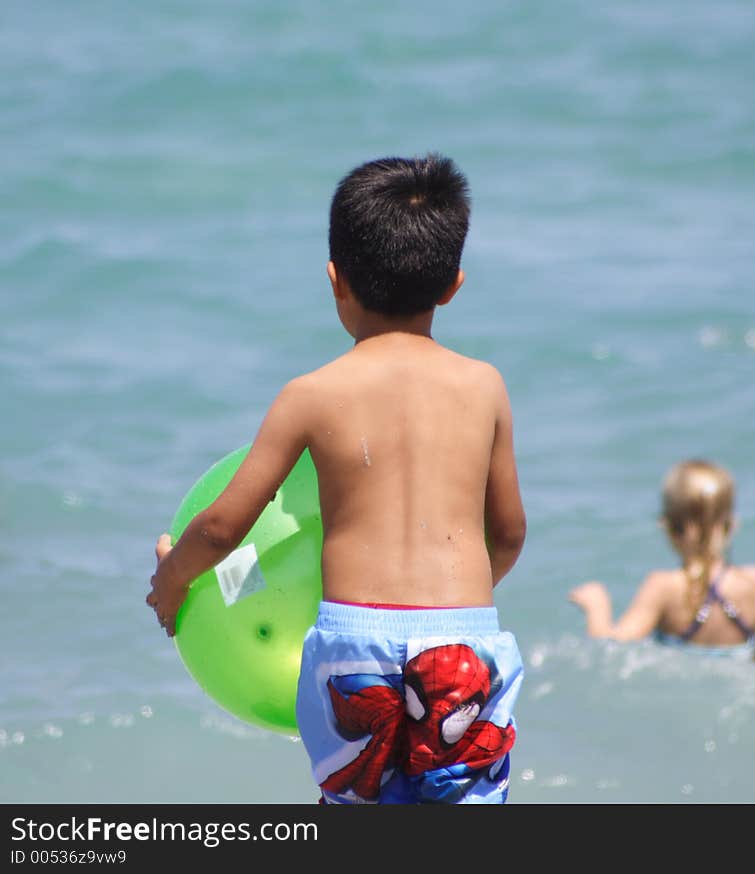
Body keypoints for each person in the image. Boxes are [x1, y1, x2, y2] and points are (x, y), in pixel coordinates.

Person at [146, 153, 528, 804]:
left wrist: (171, 583)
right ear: (453, 285)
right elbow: (510, 533)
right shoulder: (483, 387)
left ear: (335, 280)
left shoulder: (313, 395)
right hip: (461, 639)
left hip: (356, 642)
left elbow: (219, 527)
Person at [568, 459, 755, 662]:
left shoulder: (663, 586)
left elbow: (610, 650)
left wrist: (597, 606)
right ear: (731, 526)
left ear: (668, 527)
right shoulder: (754, 582)